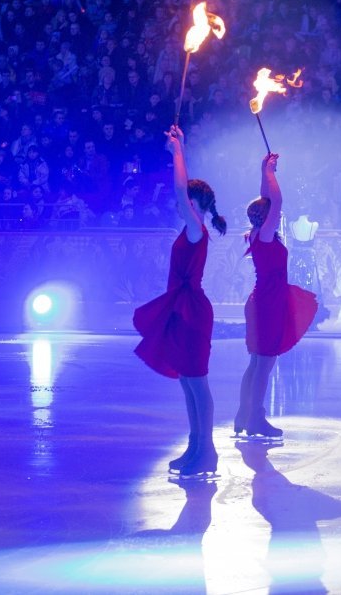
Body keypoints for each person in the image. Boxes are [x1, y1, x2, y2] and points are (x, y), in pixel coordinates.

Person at [133, 125, 226, 478]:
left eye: (186, 199)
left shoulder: (196, 227)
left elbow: (178, 188)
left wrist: (177, 152)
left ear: (196, 202)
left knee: (197, 381)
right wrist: (181, 146)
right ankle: (195, 447)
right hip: (184, 310)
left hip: (192, 312)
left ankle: (208, 452)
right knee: (188, 380)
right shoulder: (192, 228)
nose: (179, 203)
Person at [235, 153, 318, 440]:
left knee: (257, 362)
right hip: (268, 305)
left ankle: (243, 415)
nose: (278, 216)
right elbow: (277, 203)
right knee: (264, 363)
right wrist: (271, 172)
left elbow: (267, 201)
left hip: (263, 302)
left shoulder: (259, 232)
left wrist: (263, 172)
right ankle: (255, 418)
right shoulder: (266, 234)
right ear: (267, 216)